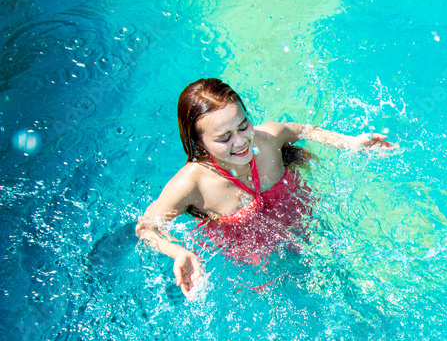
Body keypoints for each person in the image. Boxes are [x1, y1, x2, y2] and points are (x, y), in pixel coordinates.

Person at [136, 78, 393, 297]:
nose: (240, 142)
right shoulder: (192, 183)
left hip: (302, 221)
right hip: (259, 258)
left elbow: (304, 130)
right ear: (200, 142)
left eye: (242, 125)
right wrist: (177, 251)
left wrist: (348, 142)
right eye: (224, 138)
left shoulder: (267, 139)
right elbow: (146, 227)